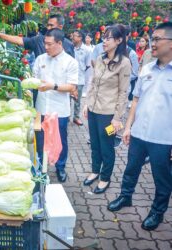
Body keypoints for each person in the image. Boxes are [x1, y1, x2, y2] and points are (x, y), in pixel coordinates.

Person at [107, 22, 172, 231]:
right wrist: (128, 127)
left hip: (164, 139)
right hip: (139, 134)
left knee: (162, 178)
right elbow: (135, 100)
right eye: (152, 39)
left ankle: (157, 212)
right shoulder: (146, 69)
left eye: (157, 39)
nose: (152, 43)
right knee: (131, 169)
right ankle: (125, 197)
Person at [83, 24, 131, 194]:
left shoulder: (124, 63)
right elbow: (93, 84)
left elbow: (123, 92)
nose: (104, 41)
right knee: (95, 144)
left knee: (107, 147)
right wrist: (87, 104)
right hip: (94, 110)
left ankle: (105, 178)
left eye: (108, 38)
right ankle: (95, 171)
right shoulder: (101, 59)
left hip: (109, 115)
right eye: (104, 37)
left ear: (119, 40)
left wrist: (117, 118)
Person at [33, 28, 78, 182]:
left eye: (49, 44)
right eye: (45, 43)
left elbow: (72, 87)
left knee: (60, 141)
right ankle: (40, 166)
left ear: (59, 43)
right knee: (40, 140)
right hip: (41, 107)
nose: (46, 47)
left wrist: (53, 86)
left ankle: (60, 167)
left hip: (60, 110)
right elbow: (35, 79)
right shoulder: (40, 59)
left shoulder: (70, 62)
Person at [0, 14, 74, 58]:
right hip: (40, 89)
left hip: (59, 90)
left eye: (51, 25)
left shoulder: (69, 45)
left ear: (60, 27)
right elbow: (19, 40)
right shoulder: (39, 40)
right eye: (48, 25)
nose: (48, 28)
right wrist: (1, 35)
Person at [71, 30, 91, 126]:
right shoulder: (70, 47)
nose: (72, 37)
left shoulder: (86, 50)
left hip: (79, 78)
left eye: (75, 36)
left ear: (80, 38)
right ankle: (66, 117)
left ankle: (76, 117)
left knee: (77, 100)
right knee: (66, 98)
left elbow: (87, 65)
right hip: (69, 78)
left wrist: (80, 71)